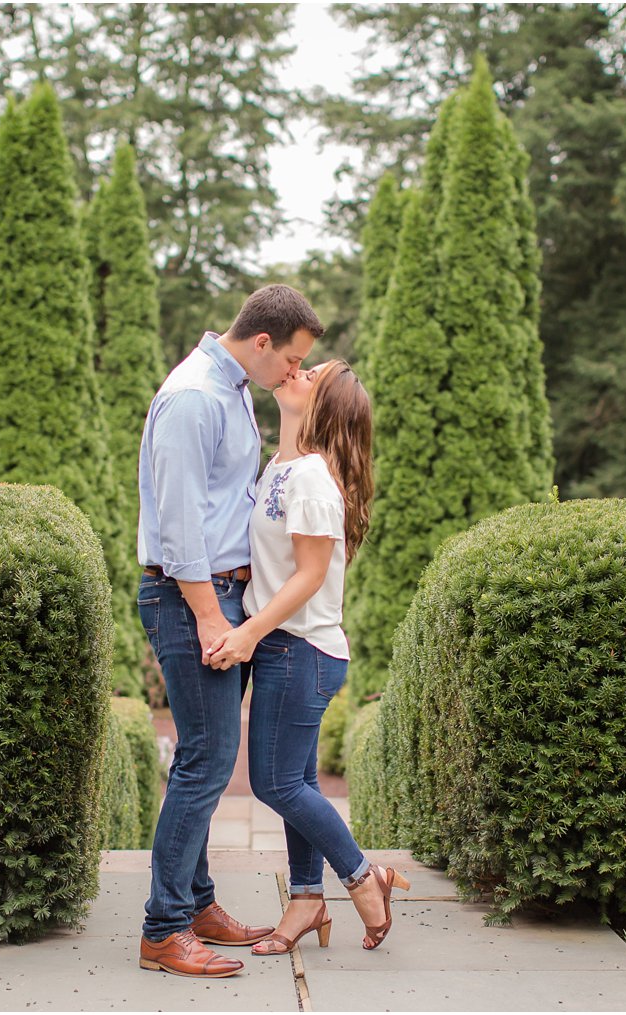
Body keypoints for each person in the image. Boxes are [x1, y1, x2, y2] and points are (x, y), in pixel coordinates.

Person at [135, 284, 323, 978]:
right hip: (190, 598)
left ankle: (197, 902)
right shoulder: (194, 397)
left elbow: (236, 495)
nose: (295, 374)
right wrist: (212, 616)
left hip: (222, 594)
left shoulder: (237, 385)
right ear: (264, 341)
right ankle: (162, 928)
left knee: (208, 759)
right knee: (207, 760)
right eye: (294, 359)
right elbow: (180, 524)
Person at [206, 359, 412, 955]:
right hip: (285, 646)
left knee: (272, 782)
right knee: (295, 780)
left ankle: (361, 877)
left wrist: (246, 633)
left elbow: (311, 576)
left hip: (302, 648)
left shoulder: (314, 480)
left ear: (327, 407)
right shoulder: (282, 466)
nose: (295, 370)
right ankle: (306, 898)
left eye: (311, 374)